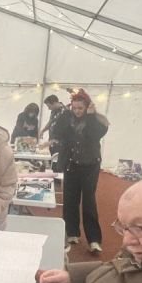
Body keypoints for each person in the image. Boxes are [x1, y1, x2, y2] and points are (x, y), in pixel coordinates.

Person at [52, 89, 109, 253]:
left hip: (90, 165)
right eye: (74, 108)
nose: (77, 111)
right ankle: (72, 232)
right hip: (71, 164)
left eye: (80, 108)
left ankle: (94, 239)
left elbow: (94, 135)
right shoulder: (67, 117)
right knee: (70, 199)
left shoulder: (97, 121)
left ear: (87, 107)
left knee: (89, 201)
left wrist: (90, 116)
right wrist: (65, 115)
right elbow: (57, 133)